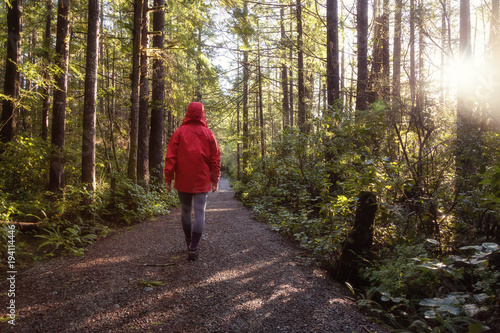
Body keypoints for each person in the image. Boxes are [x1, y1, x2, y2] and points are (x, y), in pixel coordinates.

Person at [164, 102, 221, 261]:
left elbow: (171, 157)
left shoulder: (179, 132)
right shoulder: (209, 134)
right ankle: (193, 248)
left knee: (186, 212)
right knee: (200, 212)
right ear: (202, 114)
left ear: (188, 113)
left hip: (183, 180)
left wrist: (168, 178)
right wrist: (215, 179)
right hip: (202, 180)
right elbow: (215, 159)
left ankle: (189, 242)